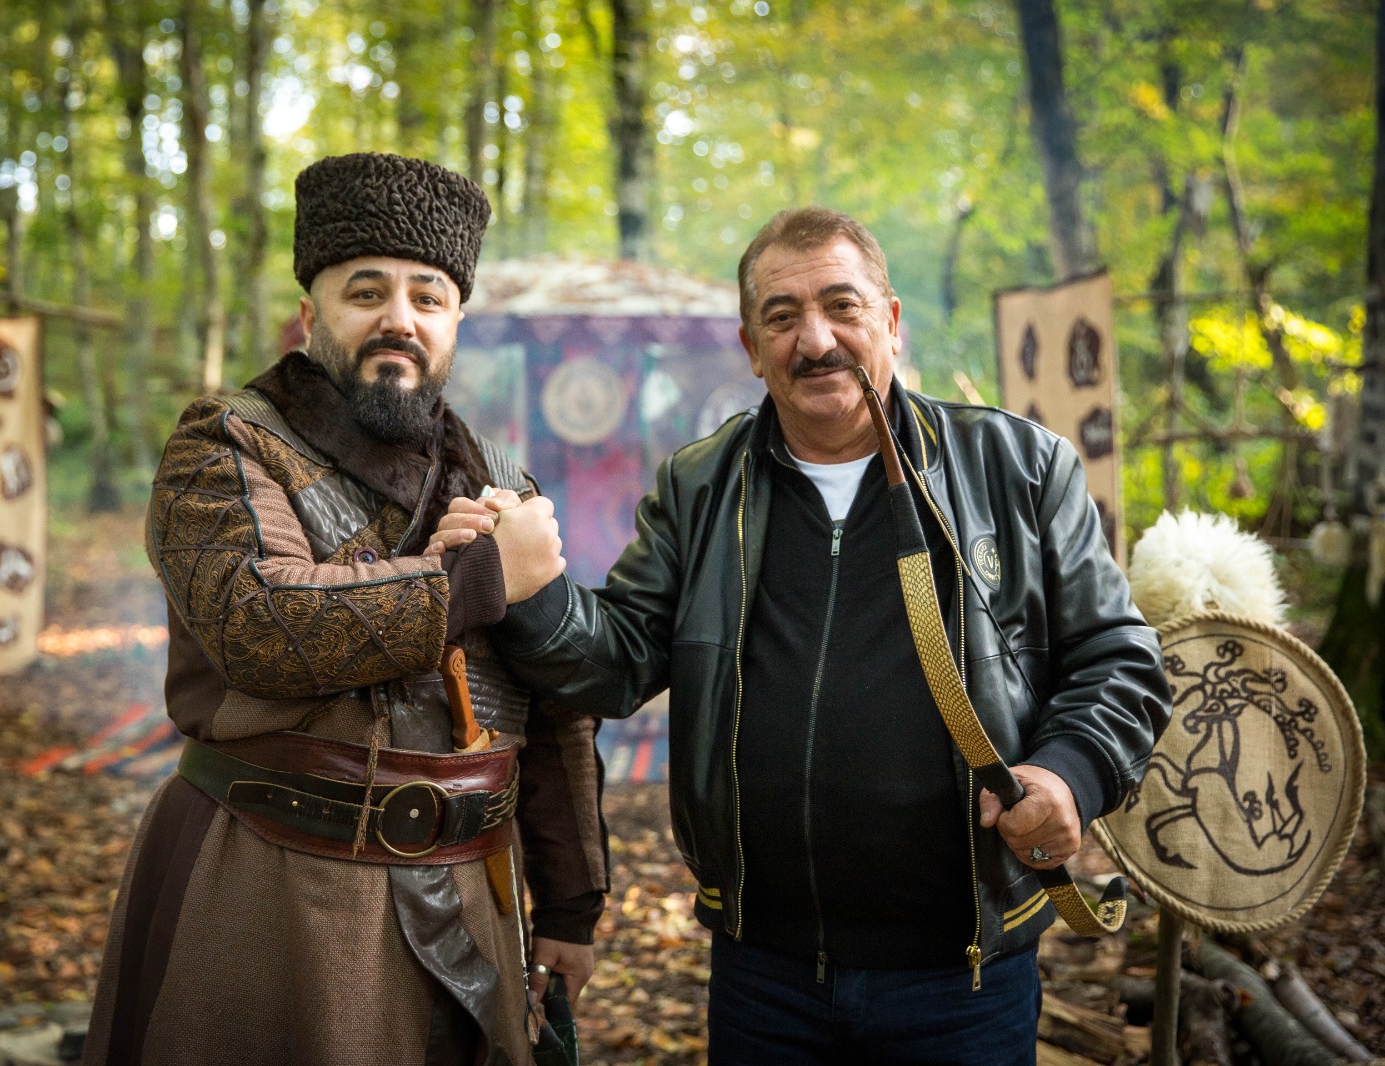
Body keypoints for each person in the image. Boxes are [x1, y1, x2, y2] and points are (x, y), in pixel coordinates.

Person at [430, 207, 1171, 1065]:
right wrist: (529, 588)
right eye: (782, 318)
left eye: (841, 306)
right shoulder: (701, 486)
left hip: (964, 972)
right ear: (752, 348)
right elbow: (618, 661)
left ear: (891, 321)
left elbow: (1119, 659)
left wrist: (1071, 773)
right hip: (764, 974)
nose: (815, 340)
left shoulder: (1020, 467)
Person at [84, 152, 608, 1066]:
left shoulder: (502, 482)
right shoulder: (224, 443)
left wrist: (570, 903)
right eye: (366, 292)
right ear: (310, 315)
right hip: (275, 890)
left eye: (428, 297)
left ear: (454, 323)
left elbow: (556, 704)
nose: (399, 318)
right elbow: (261, 626)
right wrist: (477, 579)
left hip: (475, 890)